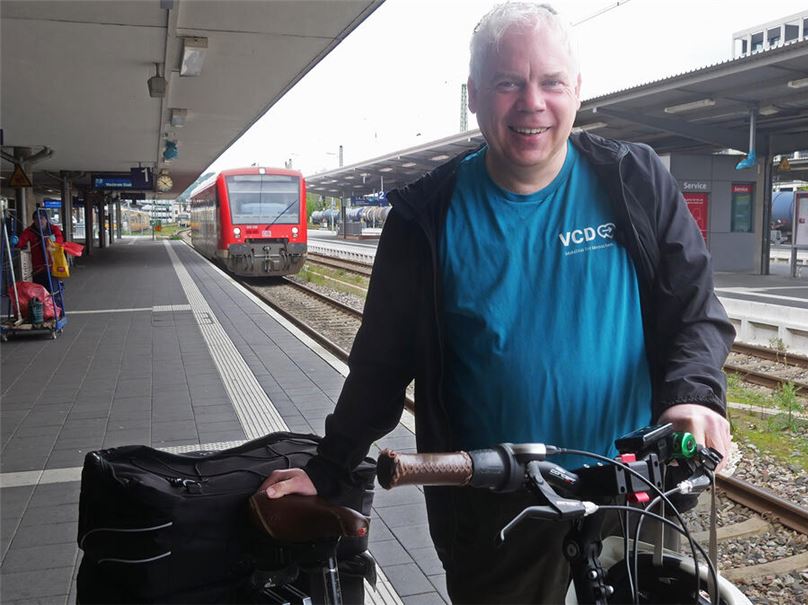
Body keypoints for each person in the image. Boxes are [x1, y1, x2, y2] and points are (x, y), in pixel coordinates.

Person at [258, 3, 735, 603]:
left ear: (577, 91)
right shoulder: (426, 216)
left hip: (632, 485)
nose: (532, 102)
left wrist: (692, 396)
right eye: (509, 82)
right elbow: (380, 365)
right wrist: (327, 470)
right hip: (493, 499)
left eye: (551, 82)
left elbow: (693, 311)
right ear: (475, 95)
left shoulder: (633, 181)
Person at [15, 208, 64, 292]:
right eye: (36, 219)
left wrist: (53, 241)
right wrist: (16, 242)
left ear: (46, 219)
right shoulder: (30, 231)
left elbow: (60, 239)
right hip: (38, 267)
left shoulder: (53, 229)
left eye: (41, 218)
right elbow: (22, 241)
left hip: (53, 265)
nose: (39, 221)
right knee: (39, 291)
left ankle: (55, 304)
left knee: (54, 291)